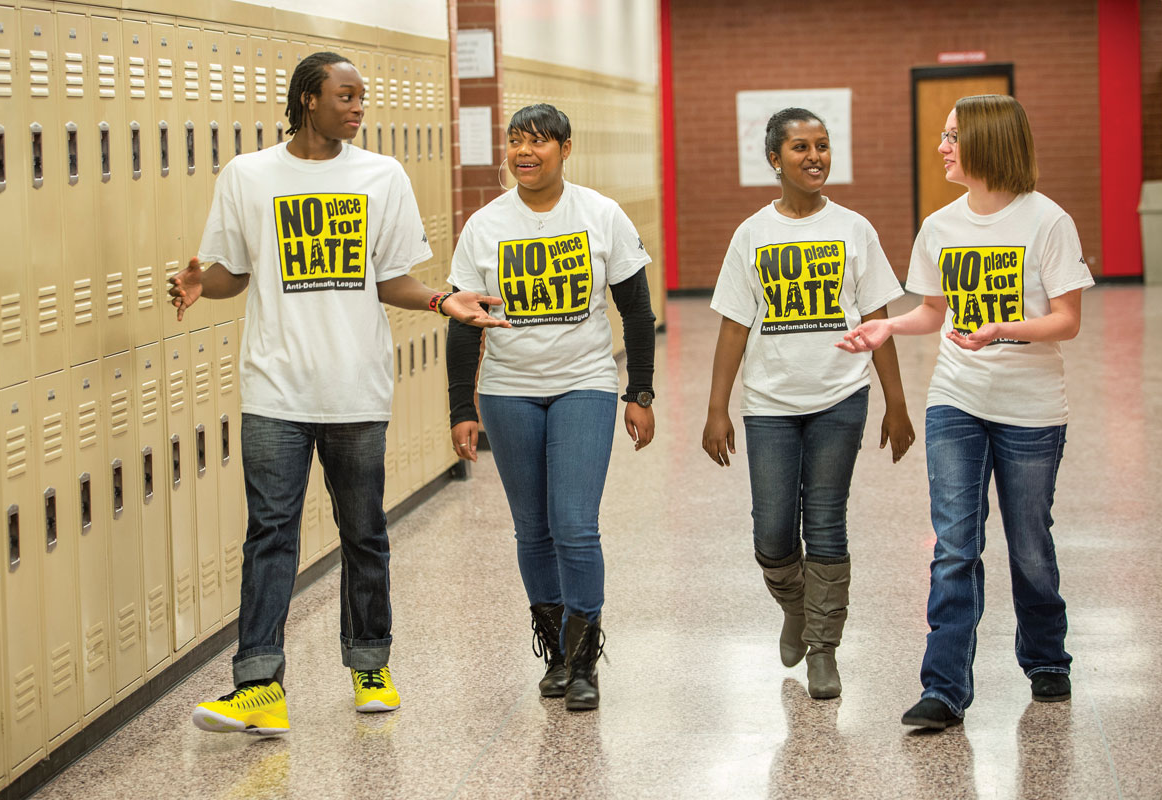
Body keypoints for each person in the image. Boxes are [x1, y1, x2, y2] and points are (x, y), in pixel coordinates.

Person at [168, 52, 505, 735]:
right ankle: (258, 682)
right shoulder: (249, 175)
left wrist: (445, 300)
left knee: (364, 532)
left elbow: (388, 279)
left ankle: (370, 663)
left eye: (362, 97)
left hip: (356, 386)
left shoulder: (382, 175)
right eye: (345, 96)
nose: (357, 107)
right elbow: (235, 270)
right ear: (306, 100)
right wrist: (206, 285)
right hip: (275, 386)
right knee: (270, 535)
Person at [838, 94, 1093, 729]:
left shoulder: (1047, 221)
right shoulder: (940, 225)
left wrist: (1004, 328)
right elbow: (933, 310)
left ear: (988, 142)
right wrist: (886, 329)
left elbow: (1068, 320)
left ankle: (1046, 658)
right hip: (956, 398)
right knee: (955, 543)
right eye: (944, 135)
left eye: (954, 136)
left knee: (1030, 543)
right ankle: (944, 688)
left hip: (1031, 407)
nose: (943, 147)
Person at [445, 103, 656, 712]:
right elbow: (463, 323)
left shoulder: (600, 214)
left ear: (566, 148)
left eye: (538, 141)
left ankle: (584, 655)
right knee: (532, 529)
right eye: (515, 142)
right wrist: (464, 406)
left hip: (584, 382)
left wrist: (638, 392)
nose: (524, 152)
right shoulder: (484, 225)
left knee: (573, 523)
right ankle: (556, 650)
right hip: (509, 390)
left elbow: (636, 311)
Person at [702, 108, 915, 700]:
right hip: (768, 402)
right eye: (801, 148)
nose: (815, 156)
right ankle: (796, 607)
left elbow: (878, 321)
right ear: (775, 158)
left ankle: (824, 647)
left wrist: (895, 404)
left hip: (840, 396)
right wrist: (717, 407)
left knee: (825, 521)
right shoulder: (752, 234)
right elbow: (733, 328)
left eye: (822, 146)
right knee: (772, 532)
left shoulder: (855, 229)